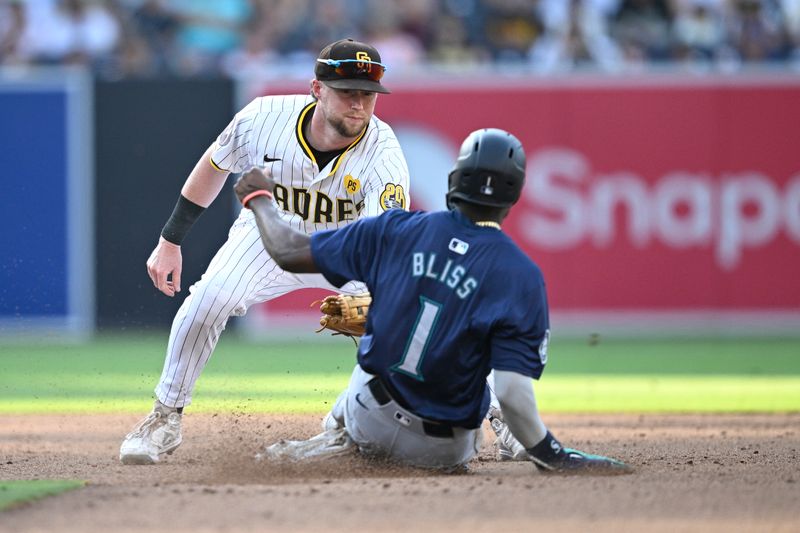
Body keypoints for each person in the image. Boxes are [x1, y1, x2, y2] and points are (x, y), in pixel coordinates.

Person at [234, 128, 631, 473]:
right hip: (445, 450)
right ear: (514, 194)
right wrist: (552, 455)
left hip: (370, 414)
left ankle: (337, 437)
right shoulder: (521, 275)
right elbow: (512, 391)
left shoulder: (396, 229)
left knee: (369, 359)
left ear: (455, 178)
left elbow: (287, 250)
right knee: (487, 354)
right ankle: (513, 440)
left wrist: (260, 198)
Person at [119, 38, 410, 465]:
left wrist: (384, 302)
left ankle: (498, 421)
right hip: (269, 235)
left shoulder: (383, 156)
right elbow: (214, 164)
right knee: (208, 298)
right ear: (316, 89)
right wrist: (170, 240)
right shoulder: (264, 118)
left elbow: (384, 241)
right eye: (348, 91)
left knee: (418, 313)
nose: (359, 104)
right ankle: (164, 418)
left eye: (368, 94)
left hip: (348, 246)